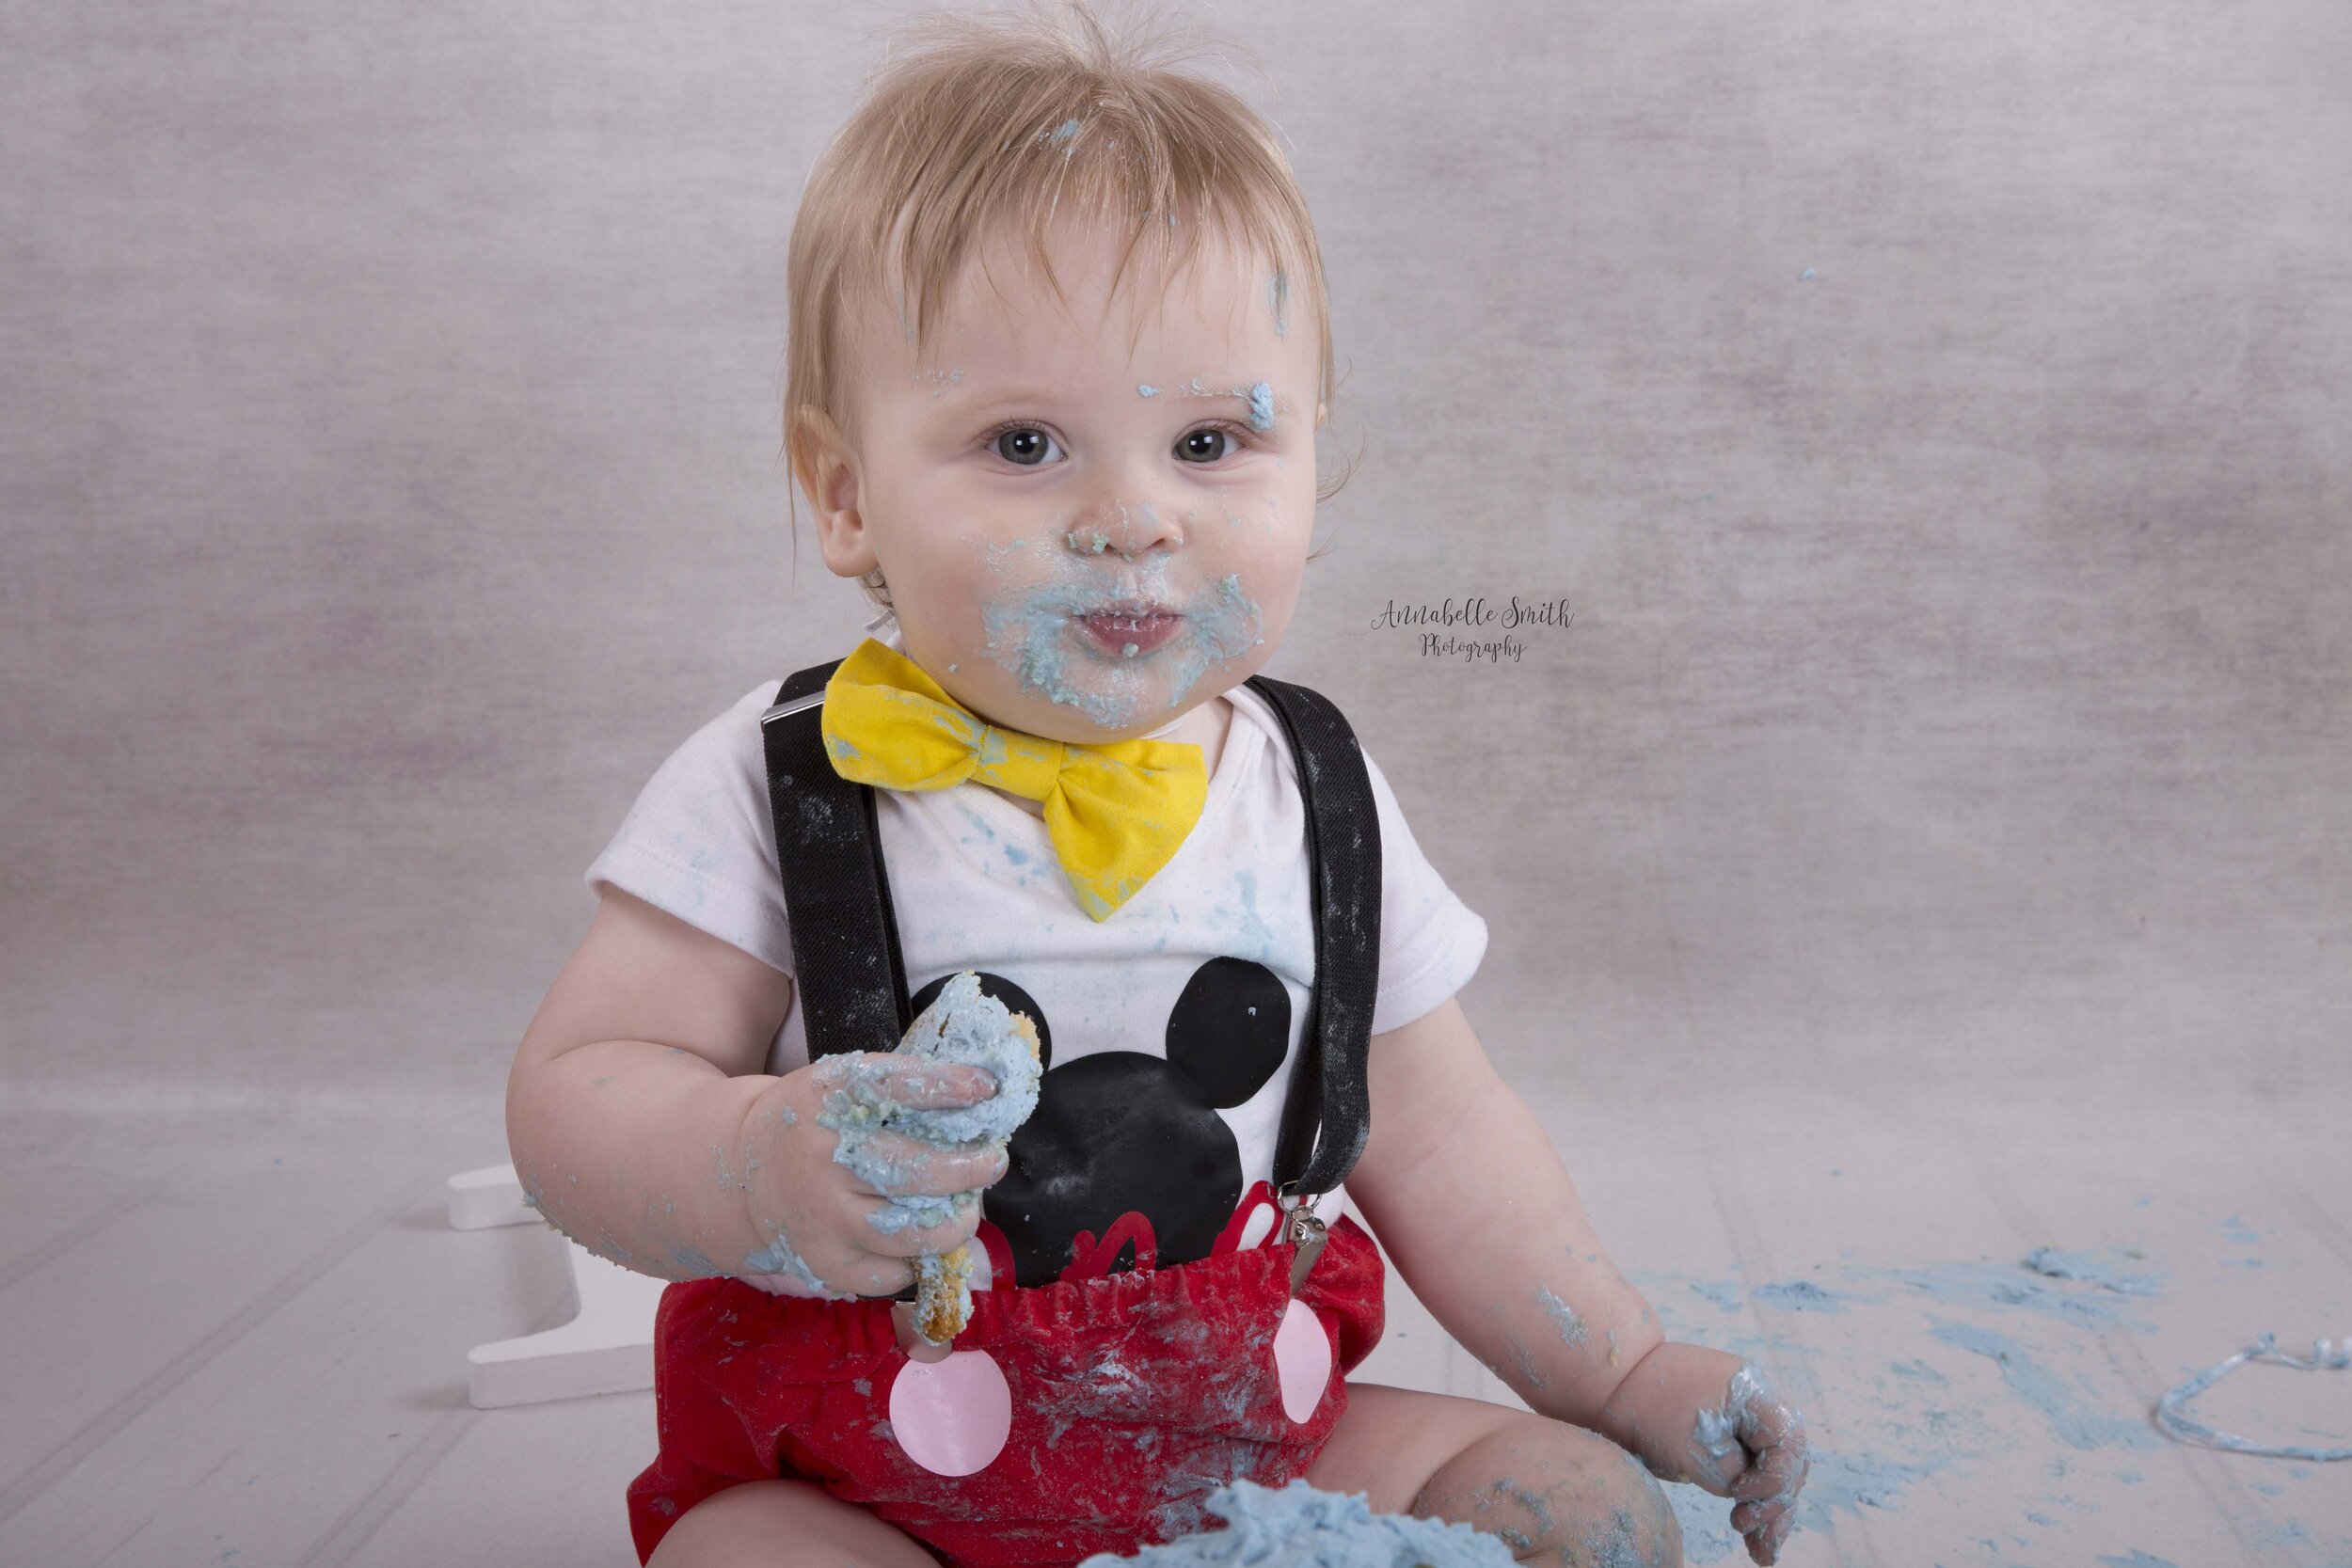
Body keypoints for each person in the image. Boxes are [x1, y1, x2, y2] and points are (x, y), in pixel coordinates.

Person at [502, 4, 1810, 1565]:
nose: (1132, 517)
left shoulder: (1313, 796)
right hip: (864, 1475)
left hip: (1248, 1435)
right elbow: (578, 1094)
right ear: (847, 494)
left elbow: (1446, 1135)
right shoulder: (781, 788)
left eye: (1207, 441)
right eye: (1025, 443)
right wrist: (758, 1165)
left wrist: (1624, 1370)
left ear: (1311, 457)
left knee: (1579, 1514)